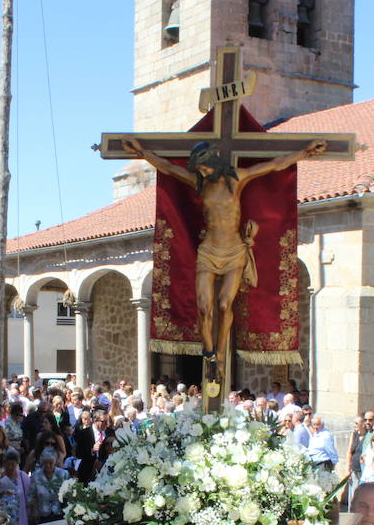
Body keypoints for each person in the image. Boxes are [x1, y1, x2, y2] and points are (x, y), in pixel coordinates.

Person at [122, 136, 326, 379]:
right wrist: (142, 152)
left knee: (223, 304)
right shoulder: (199, 183)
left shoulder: (236, 178)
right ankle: (208, 353)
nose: (198, 169)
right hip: (208, 251)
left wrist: (304, 152)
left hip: (234, 251)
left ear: (209, 161)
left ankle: (219, 353)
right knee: (203, 307)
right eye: (197, 167)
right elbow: (168, 168)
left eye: (201, 165)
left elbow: (274, 165)